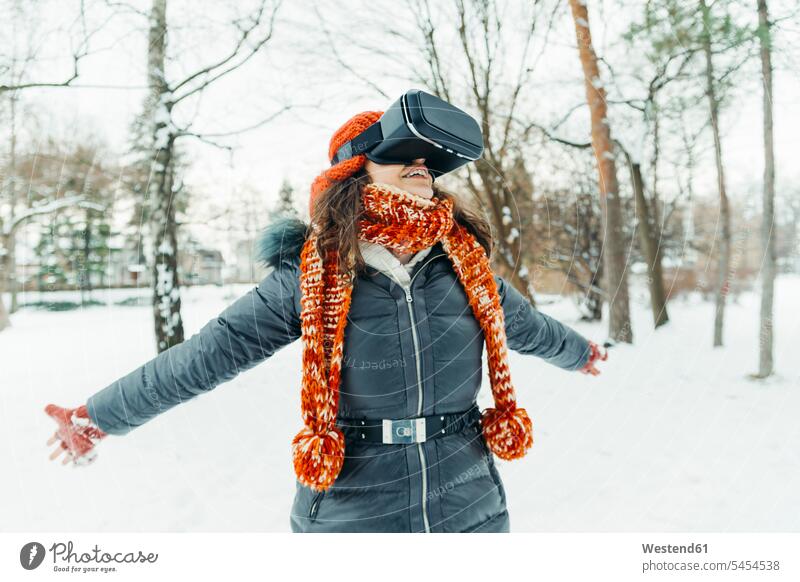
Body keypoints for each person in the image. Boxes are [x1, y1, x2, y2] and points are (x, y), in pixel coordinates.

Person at [45, 110, 608, 533]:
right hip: (352, 512)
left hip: (470, 505)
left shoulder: (461, 264)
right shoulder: (309, 275)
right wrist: (100, 416)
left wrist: (580, 352)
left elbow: (528, 326)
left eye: (428, 160)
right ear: (355, 173)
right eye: (401, 154)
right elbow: (208, 354)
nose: (421, 165)